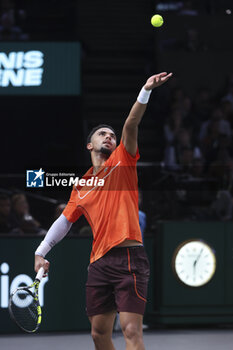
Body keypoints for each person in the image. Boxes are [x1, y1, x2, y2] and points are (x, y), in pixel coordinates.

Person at [34, 72, 172, 350]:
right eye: (102, 134)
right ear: (90, 145)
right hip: (99, 263)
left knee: (131, 331)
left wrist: (145, 90)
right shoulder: (81, 185)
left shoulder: (123, 160)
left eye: (111, 134)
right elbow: (64, 222)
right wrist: (40, 253)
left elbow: (131, 124)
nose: (109, 137)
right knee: (98, 334)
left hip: (130, 260)